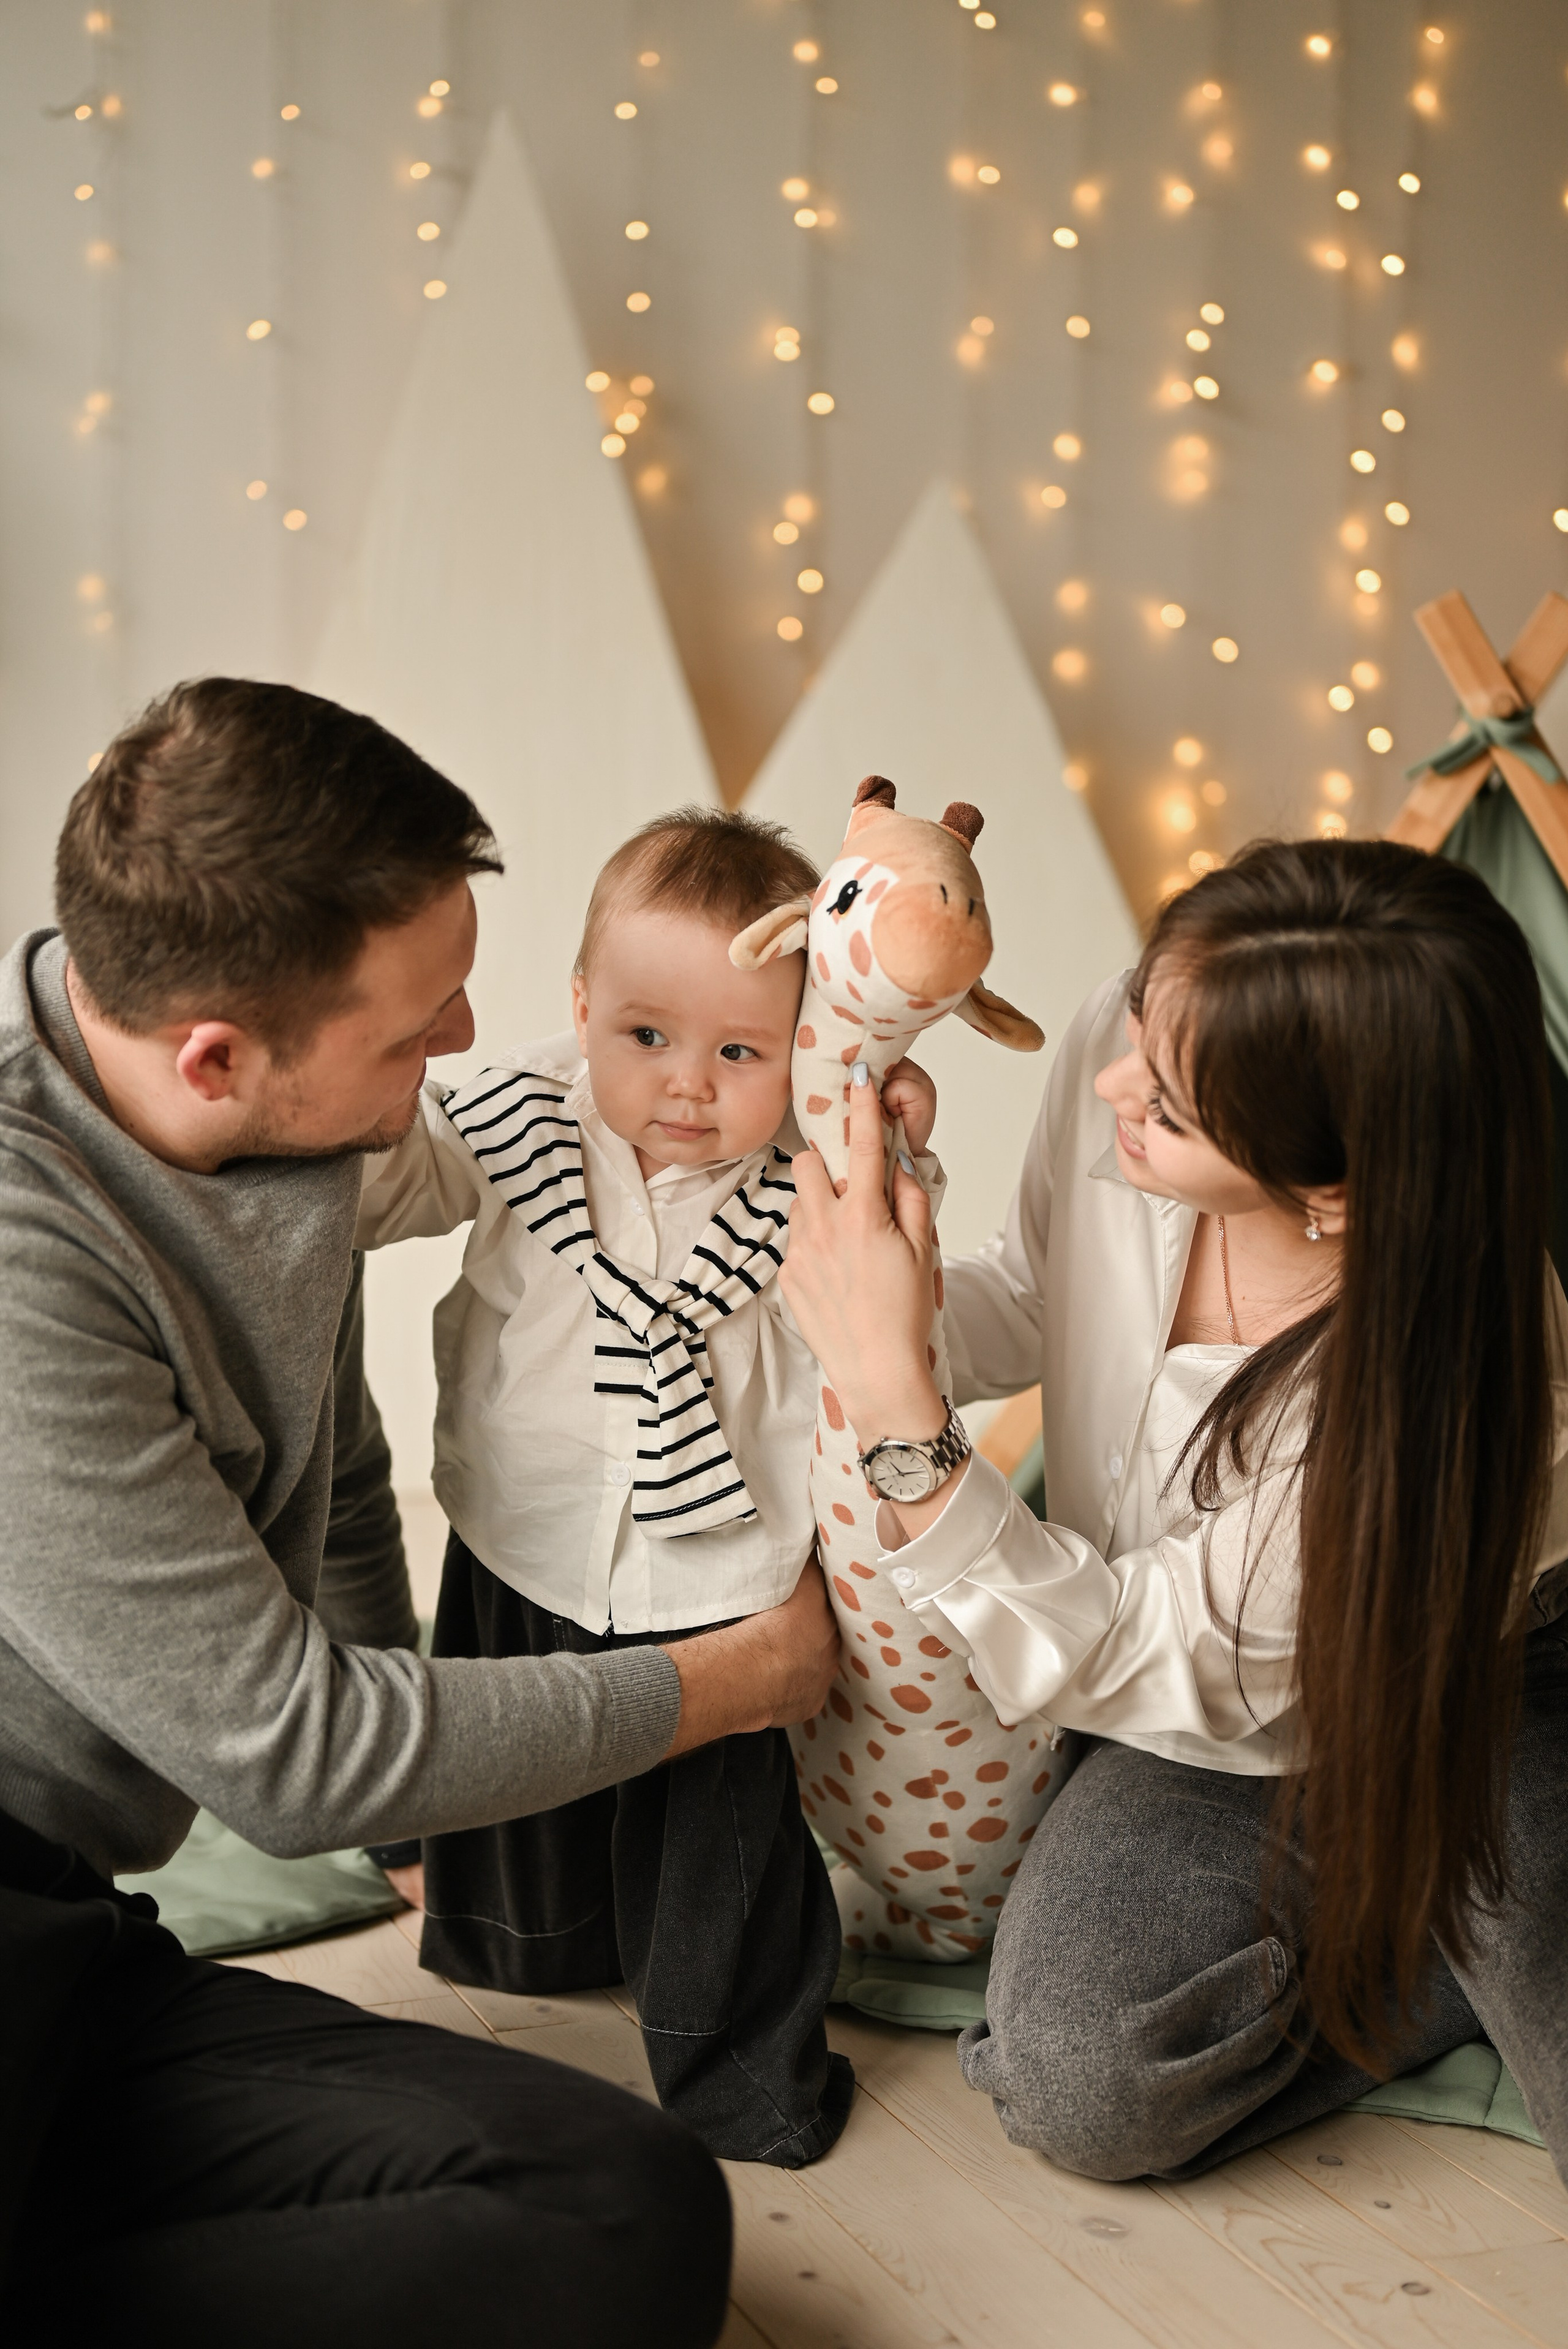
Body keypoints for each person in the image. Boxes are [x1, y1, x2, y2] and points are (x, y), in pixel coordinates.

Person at [0, 678, 841, 2341]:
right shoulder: (33, 1270)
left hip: (73, 1940)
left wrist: (411, 1819)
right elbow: (293, 1756)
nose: (465, 1046)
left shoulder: (270, 1140)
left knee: (626, 2206)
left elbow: (336, 1468)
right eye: (417, 1026)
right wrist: (735, 1680)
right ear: (220, 1053)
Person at [778, 838, 1568, 2184]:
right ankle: (1414, 1934)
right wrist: (888, 1255)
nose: (1106, 1085)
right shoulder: (1145, 1036)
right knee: (1079, 2075)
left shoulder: (1446, 1386)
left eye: (1169, 1111)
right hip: (1183, 1684)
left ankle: (1453, 1909)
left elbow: (1151, 1649)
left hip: (1490, 1672)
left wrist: (900, 1409)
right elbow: (1030, 1295)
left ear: (1332, 1193)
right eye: (1139, 1021)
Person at [355, 807, 934, 2166]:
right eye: (645, 1037)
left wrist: (890, 1147)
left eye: (741, 1051)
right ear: (579, 1008)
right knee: (518, 1773)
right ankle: (532, 1947)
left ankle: (744, 2075)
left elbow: (890, 1299)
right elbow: (379, 1183)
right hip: (526, 1524)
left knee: (715, 1842)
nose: (687, 1084)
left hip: (719, 1563)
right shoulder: (511, 1124)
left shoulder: (811, 1176)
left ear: (802, 1050)